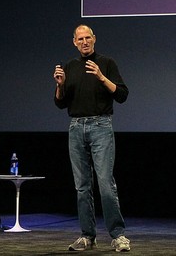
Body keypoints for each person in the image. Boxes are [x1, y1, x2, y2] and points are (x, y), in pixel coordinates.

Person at [54, 24, 131, 252]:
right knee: (82, 186)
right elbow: (60, 103)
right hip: (76, 127)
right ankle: (87, 236)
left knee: (106, 184)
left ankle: (118, 235)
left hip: (100, 126)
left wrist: (101, 77)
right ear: (74, 42)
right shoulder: (70, 67)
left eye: (88, 38)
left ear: (94, 39)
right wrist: (59, 85)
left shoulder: (106, 63)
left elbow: (122, 95)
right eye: (80, 39)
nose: (85, 42)